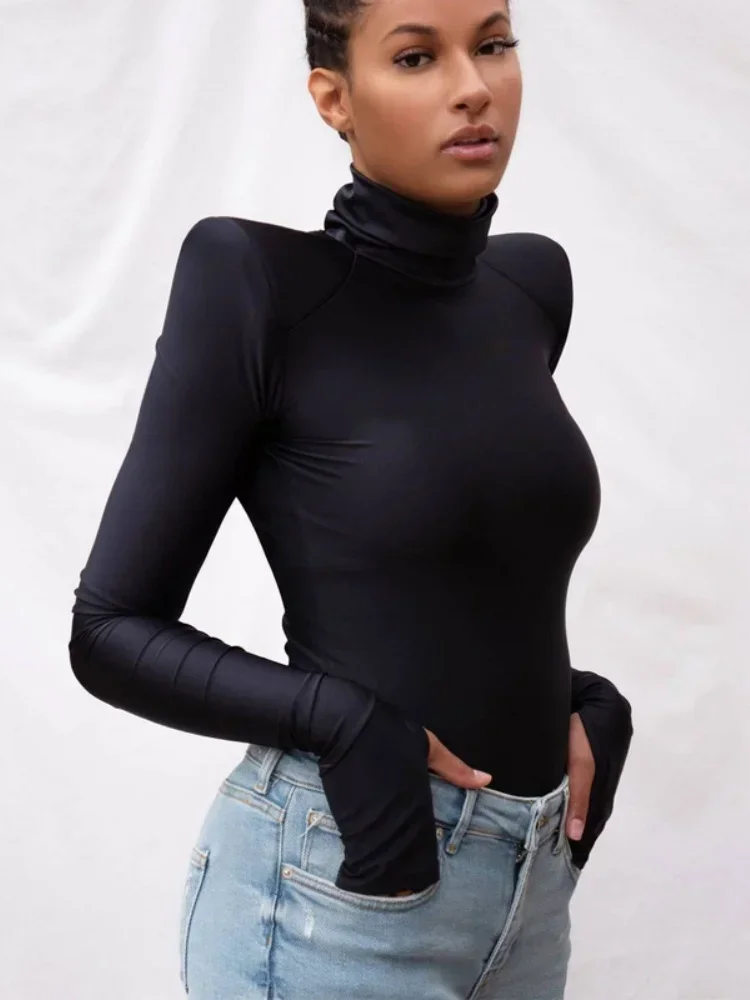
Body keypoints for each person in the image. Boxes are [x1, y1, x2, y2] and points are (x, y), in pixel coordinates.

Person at [68, 1, 634, 997]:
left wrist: (575, 695)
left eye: (494, 44)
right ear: (335, 99)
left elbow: (458, 558)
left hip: (530, 886)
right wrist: (347, 722)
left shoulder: (531, 287)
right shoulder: (253, 282)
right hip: (337, 885)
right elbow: (111, 629)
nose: (473, 87)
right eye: (416, 57)